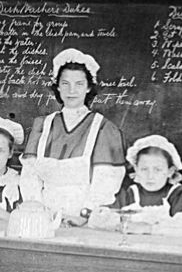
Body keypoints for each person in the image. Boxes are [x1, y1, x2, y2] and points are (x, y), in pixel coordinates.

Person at [19, 48, 126, 224]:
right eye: (65, 83)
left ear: (88, 87)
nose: (71, 90)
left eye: (79, 84)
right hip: (42, 216)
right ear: (58, 86)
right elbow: (30, 176)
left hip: (84, 219)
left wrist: (84, 215)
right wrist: (37, 211)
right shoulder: (42, 126)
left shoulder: (103, 128)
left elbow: (106, 181)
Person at [113, 135, 182, 237]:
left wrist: (147, 228)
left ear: (170, 171)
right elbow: (106, 219)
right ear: (136, 169)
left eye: (157, 170)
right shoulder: (128, 193)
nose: (150, 176)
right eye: (144, 169)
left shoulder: (178, 195)